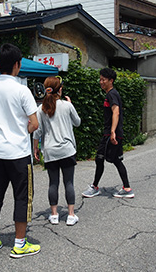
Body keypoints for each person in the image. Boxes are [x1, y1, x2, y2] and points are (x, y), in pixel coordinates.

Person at [0, 43, 40, 258]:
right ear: (17, 64)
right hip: (18, 153)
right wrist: (21, 130)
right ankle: (20, 243)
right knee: (22, 197)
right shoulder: (22, 90)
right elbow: (34, 123)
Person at [33, 76, 81, 226]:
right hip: (67, 150)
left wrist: (35, 147)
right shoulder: (66, 106)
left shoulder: (40, 109)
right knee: (69, 182)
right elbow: (77, 123)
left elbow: (37, 131)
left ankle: (54, 215)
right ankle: (71, 215)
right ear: (60, 89)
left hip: (50, 151)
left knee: (53, 183)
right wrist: (70, 105)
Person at [82, 68, 134, 199]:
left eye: (103, 80)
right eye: (100, 79)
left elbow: (116, 111)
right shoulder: (111, 94)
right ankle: (126, 188)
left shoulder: (112, 94)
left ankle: (95, 187)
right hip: (112, 132)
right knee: (113, 160)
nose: (101, 82)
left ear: (111, 81)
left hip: (111, 133)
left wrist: (112, 132)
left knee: (100, 158)